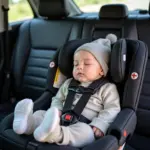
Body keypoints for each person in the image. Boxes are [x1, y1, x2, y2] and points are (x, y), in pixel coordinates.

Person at [13, 34, 120, 148]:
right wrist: (57, 110)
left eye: (87, 63)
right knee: (41, 114)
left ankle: (55, 134)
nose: (79, 67)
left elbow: (112, 109)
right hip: (60, 117)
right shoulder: (68, 83)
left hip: (85, 124)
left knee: (85, 133)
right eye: (75, 64)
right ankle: (28, 125)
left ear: (102, 70)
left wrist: (100, 124)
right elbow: (58, 99)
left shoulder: (107, 88)